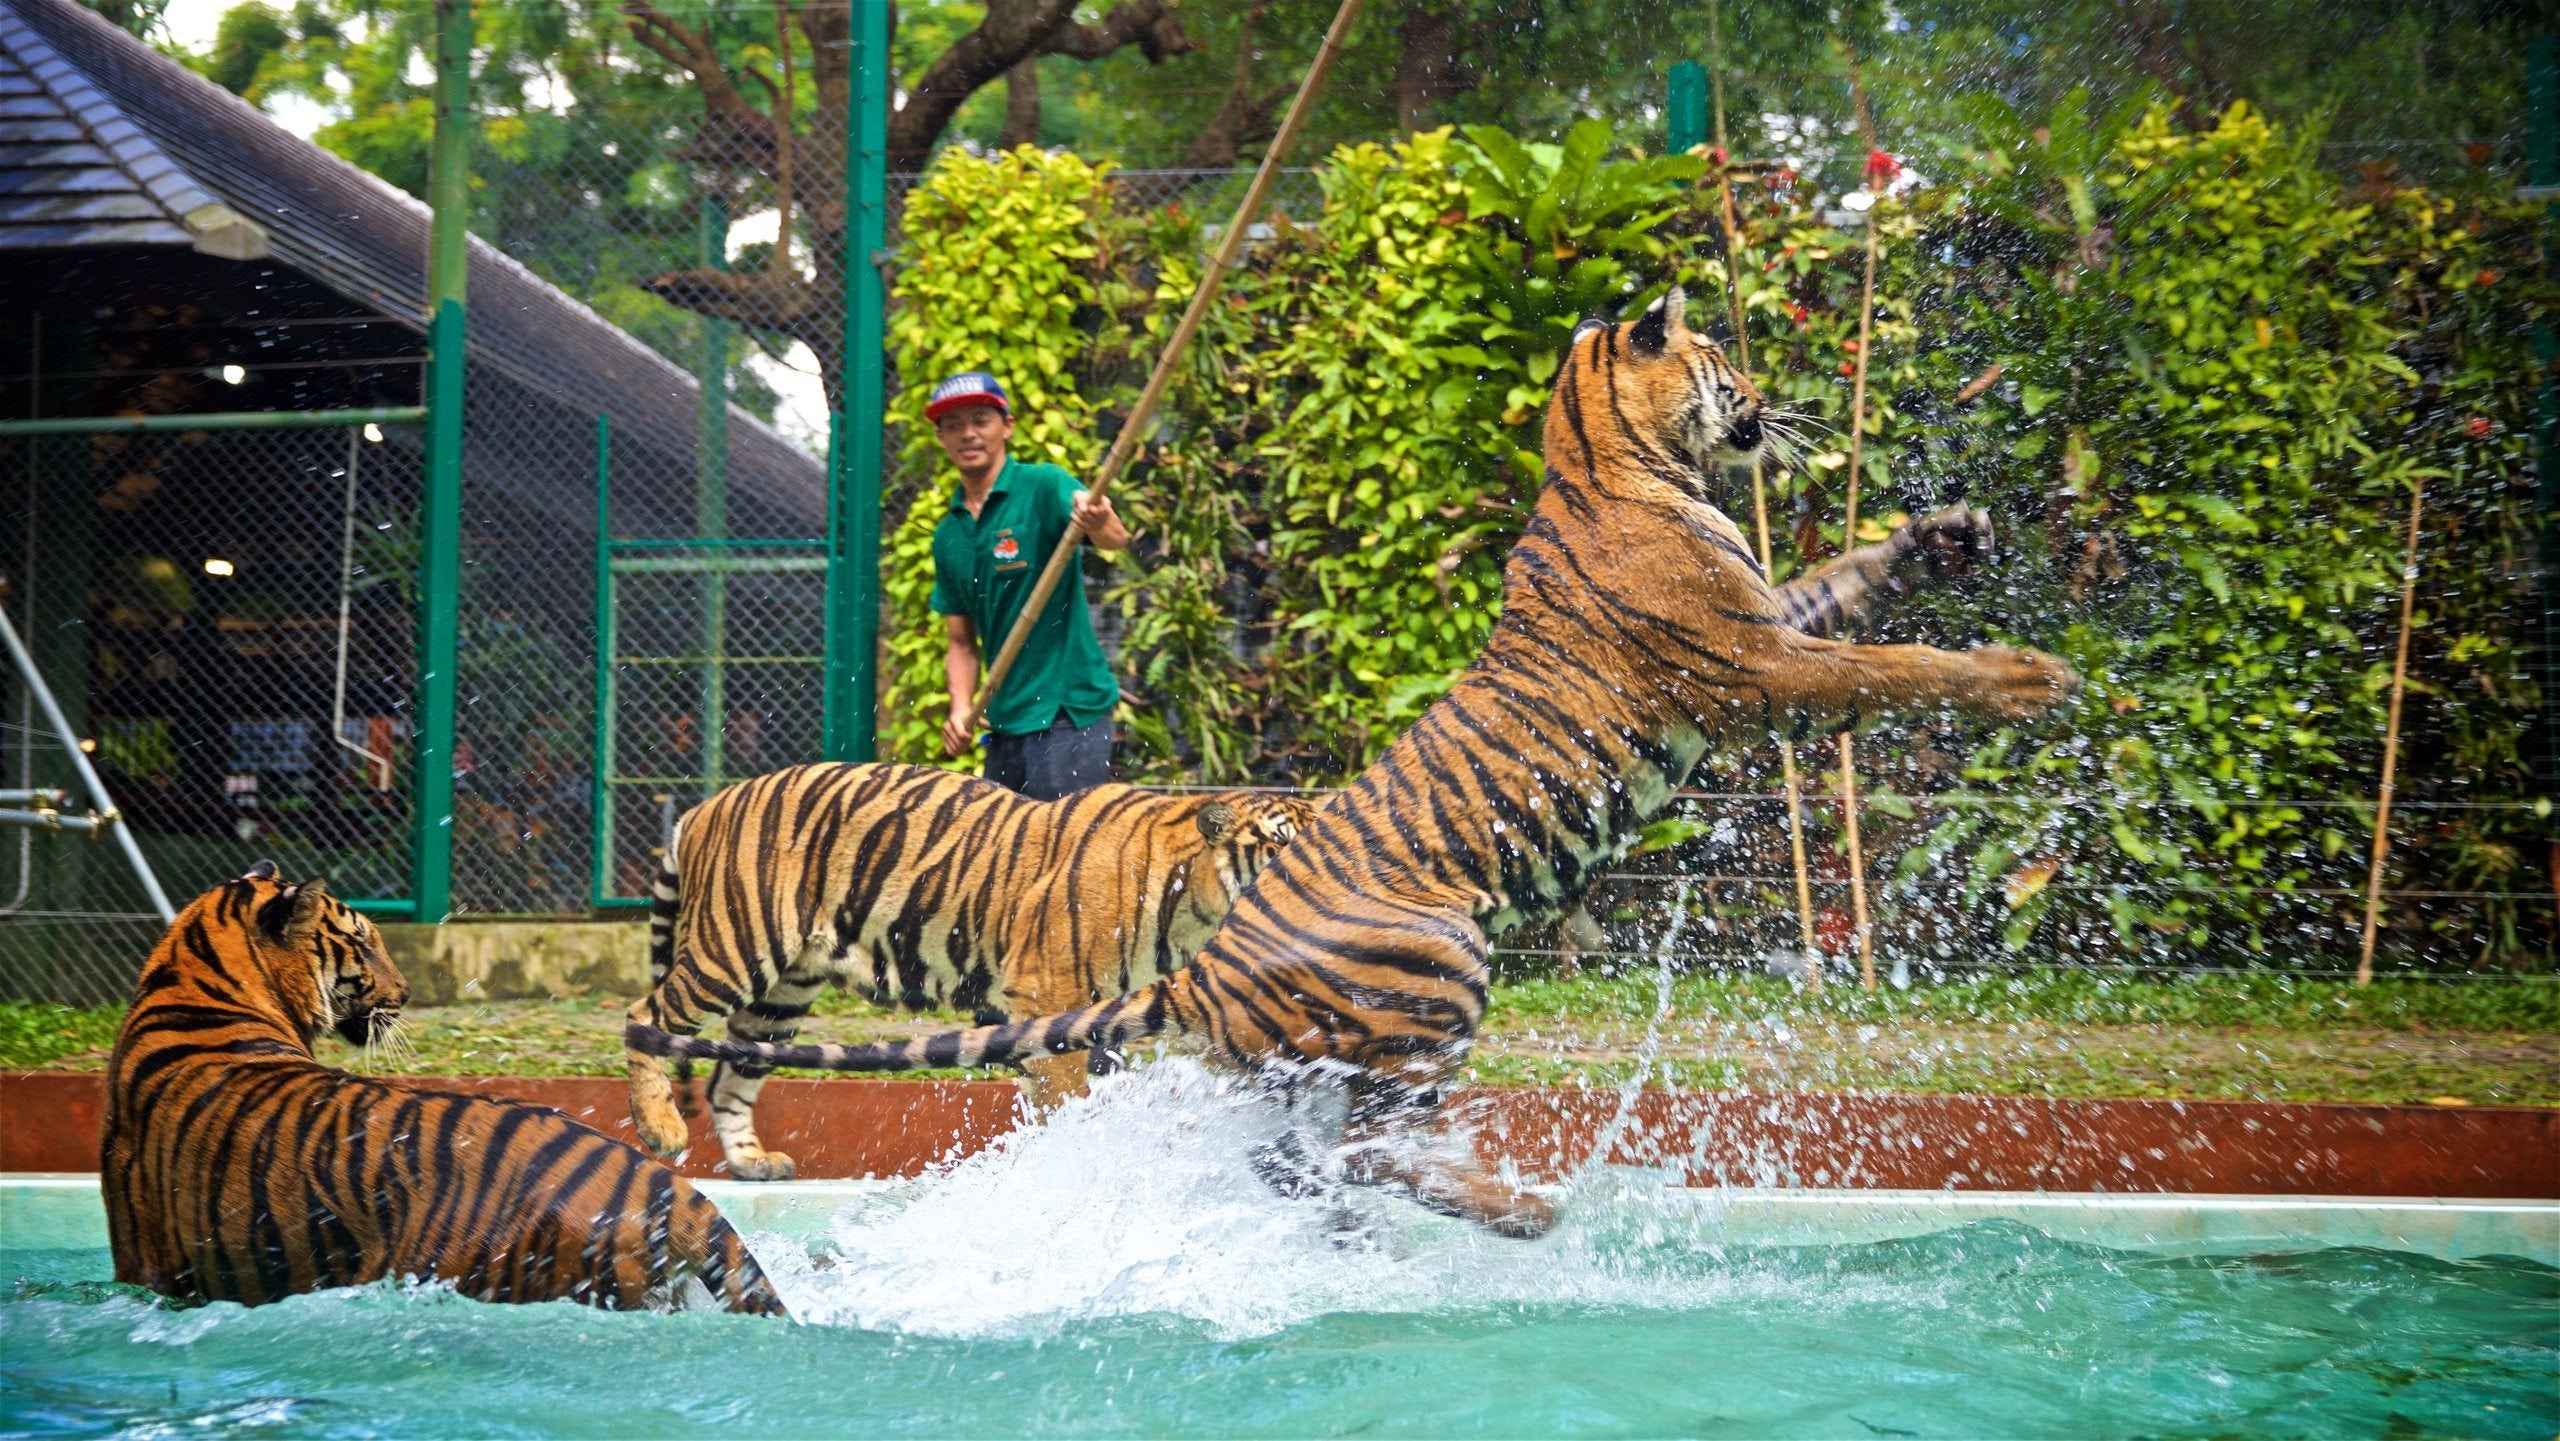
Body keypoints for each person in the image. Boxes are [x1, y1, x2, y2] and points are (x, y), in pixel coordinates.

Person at [925, 371, 1129, 800]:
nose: (968, 433)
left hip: (1067, 711)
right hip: (1003, 721)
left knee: (1066, 854)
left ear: (1007, 425)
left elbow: (1113, 538)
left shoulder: (1043, 486)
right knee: (1004, 862)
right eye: (954, 424)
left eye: (981, 419)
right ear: (940, 437)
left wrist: (1098, 518)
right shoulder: (948, 535)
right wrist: (961, 707)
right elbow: (961, 643)